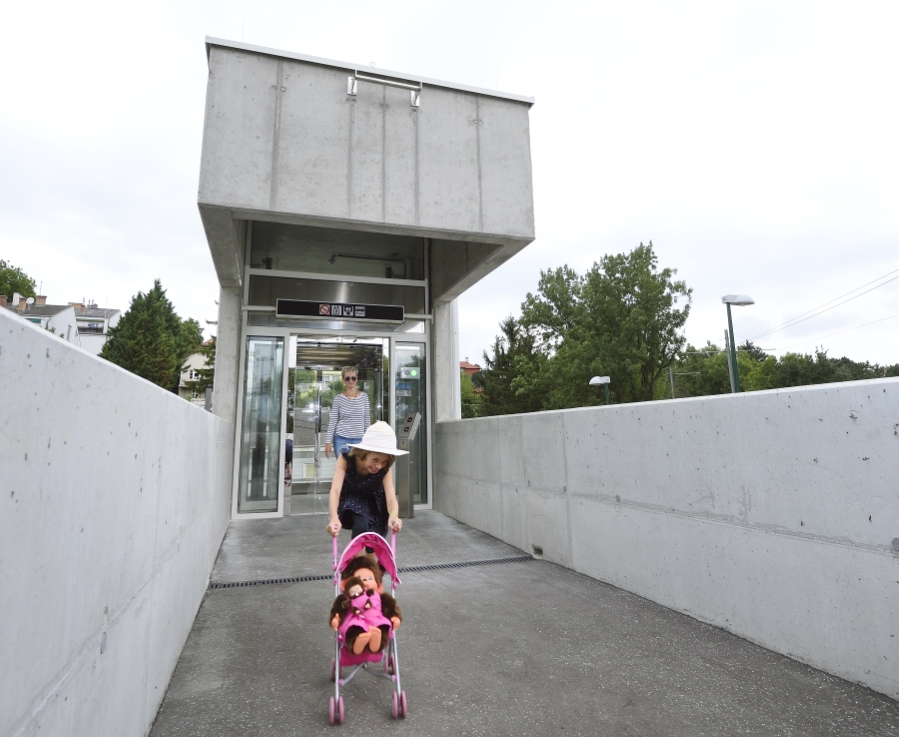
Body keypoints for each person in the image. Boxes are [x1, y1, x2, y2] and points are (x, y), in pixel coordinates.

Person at [326, 421, 407, 540]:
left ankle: (369, 558)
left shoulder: (385, 469)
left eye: (384, 462)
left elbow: (390, 497)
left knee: (373, 544)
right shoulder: (346, 459)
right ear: (363, 452)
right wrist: (333, 518)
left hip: (376, 503)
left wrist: (394, 515)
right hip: (352, 500)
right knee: (361, 525)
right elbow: (335, 490)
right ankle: (357, 557)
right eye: (375, 460)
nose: (379, 466)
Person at [324, 365, 371, 459]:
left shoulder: (364, 397)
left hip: (359, 440)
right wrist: (327, 442)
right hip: (340, 439)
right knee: (343, 469)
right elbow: (333, 421)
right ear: (343, 379)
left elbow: (366, 419)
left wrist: (368, 439)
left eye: (353, 378)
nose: (351, 380)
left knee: (357, 470)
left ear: (357, 378)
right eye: (347, 378)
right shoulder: (338, 398)